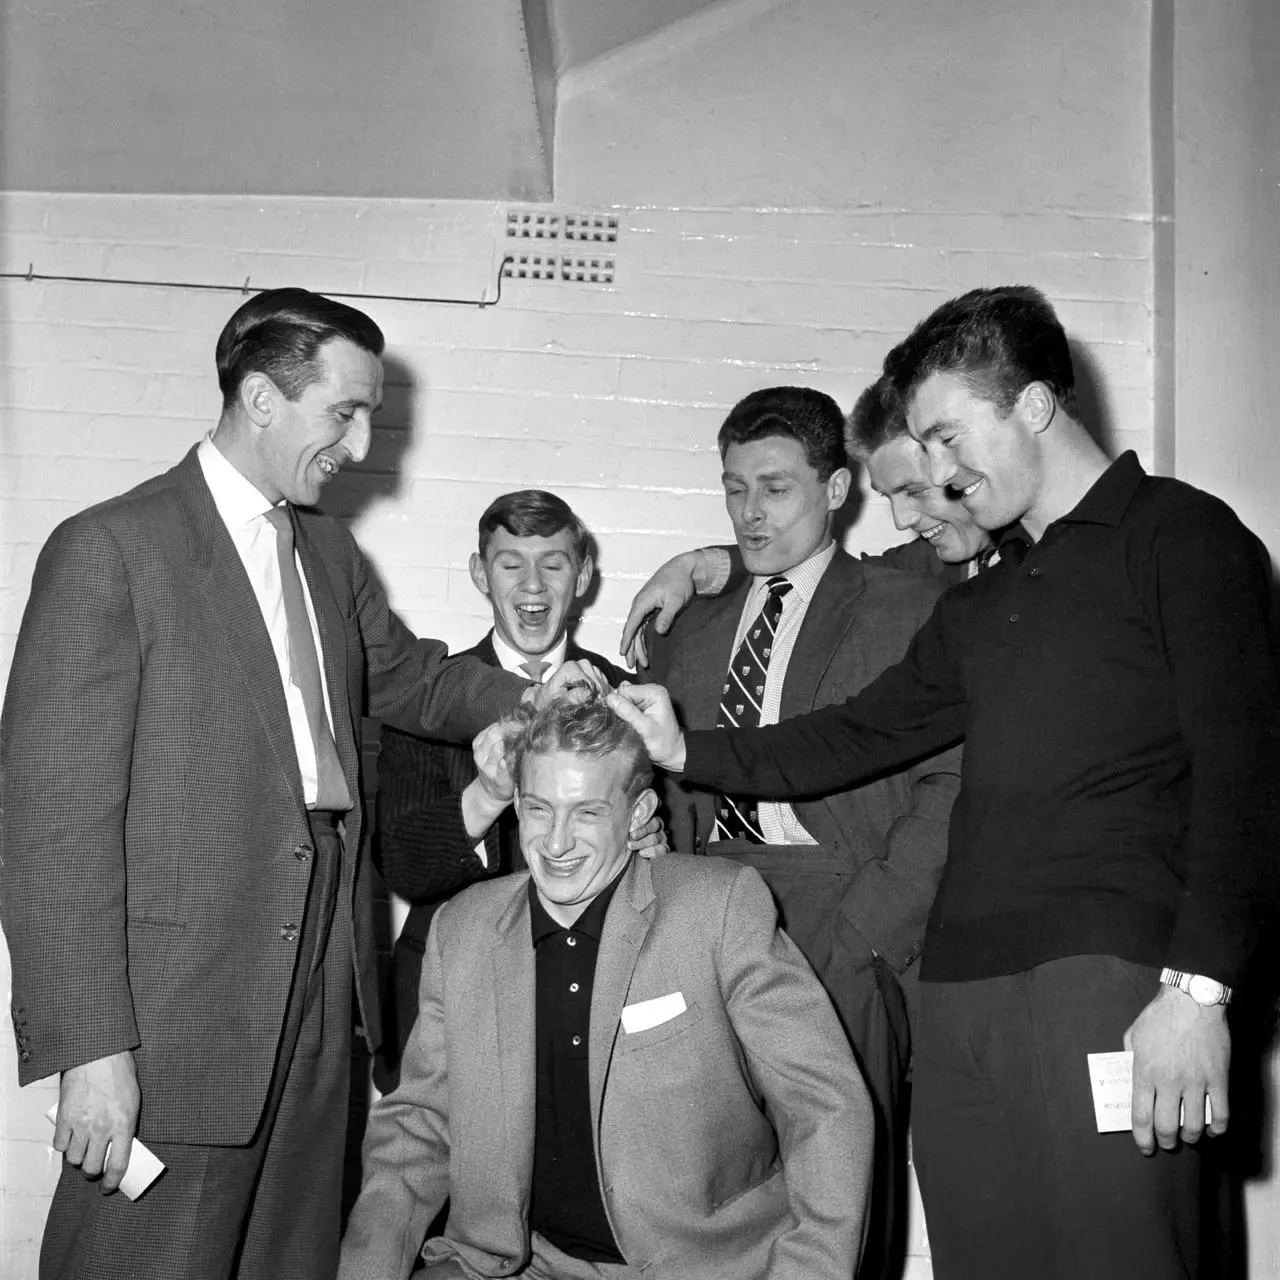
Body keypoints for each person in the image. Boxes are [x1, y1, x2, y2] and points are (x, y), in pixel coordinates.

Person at [610, 285, 1280, 1280]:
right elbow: (851, 735)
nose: (935, 473)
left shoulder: (1181, 539)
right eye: (922, 449)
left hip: (1112, 985)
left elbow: (1247, 779)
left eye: (945, 437)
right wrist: (683, 750)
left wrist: (1197, 992)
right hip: (957, 997)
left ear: (1034, 404)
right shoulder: (982, 601)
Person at [0, 288, 552, 1280]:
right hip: (177, 1013)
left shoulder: (328, 552)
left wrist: (538, 701)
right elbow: (50, 831)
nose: (360, 439)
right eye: (344, 410)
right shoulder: (112, 549)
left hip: (322, 993)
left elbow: (415, 675)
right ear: (261, 397)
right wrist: (91, 1051)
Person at [339, 690, 873, 1280]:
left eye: (588, 812)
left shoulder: (717, 907)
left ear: (639, 814)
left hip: (701, 1268)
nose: (556, 841)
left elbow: (826, 1105)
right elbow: (415, 1130)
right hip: (510, 1266)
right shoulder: (460, 930)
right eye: (539, 809)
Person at [641, 385, 960, 1280]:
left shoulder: (910, 602)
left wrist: (873, 924)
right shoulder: (688, 624)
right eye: (734, 487)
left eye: (774, 487)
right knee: (717, 1183)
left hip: (845, 911)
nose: (749, 511)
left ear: (836, 488)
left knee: (842, 1190)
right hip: (709, 914)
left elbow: (949, 781)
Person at [374, 489, 632, 1089]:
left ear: (585, 573)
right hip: (452, 995)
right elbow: (403, 867)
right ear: (479, 574)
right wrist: (486, 797)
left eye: (554, 563)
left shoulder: (628, 698)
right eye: (511, 563)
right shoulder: (427, 697)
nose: (533, 585)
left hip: (591, 992)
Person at [618, 375, 993, 669]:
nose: (901, 520)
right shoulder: (922, 569)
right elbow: (833, 579)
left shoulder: (1041, 559)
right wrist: (698, 564)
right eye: (888, 496)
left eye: (914, 490)